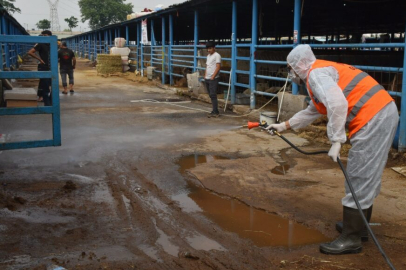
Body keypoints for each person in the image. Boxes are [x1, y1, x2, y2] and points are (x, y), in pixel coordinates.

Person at [267, 44, 399, 255]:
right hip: (379, 112)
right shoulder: (320, 73)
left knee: (359, 174)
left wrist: (337, 140)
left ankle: (351, 238)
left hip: (374, 116)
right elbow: (313, 110)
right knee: (365, 173)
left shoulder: (315, 75)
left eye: (290, 68)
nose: (290, 73)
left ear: (299, 65)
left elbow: (337, 104)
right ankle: (359, 227)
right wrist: (284, 126)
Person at [28, 30, 52, 106]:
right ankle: (46, 102)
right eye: (43, 35)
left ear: (49, 35)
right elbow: (30, 52)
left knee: (51, 84)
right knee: (44, 84)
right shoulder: (41, 44)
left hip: (51, 67)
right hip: (43, 66)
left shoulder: (52, 44)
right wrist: (40, 59)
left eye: (45, 35)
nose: (43, 37)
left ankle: (50, 101)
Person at [204, 41, 221, 118]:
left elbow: (218, 67)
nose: (209, 50)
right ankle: (214, 110)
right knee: (210, 94)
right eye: (208, 49)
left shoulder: (217, 55)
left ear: (214, 48)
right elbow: (207, 66)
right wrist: (205, 76)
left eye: (210, 48)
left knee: (213, 94)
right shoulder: (208, 56)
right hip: (207, 77)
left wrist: (213, 76)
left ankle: (215, 111)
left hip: (213, 78)